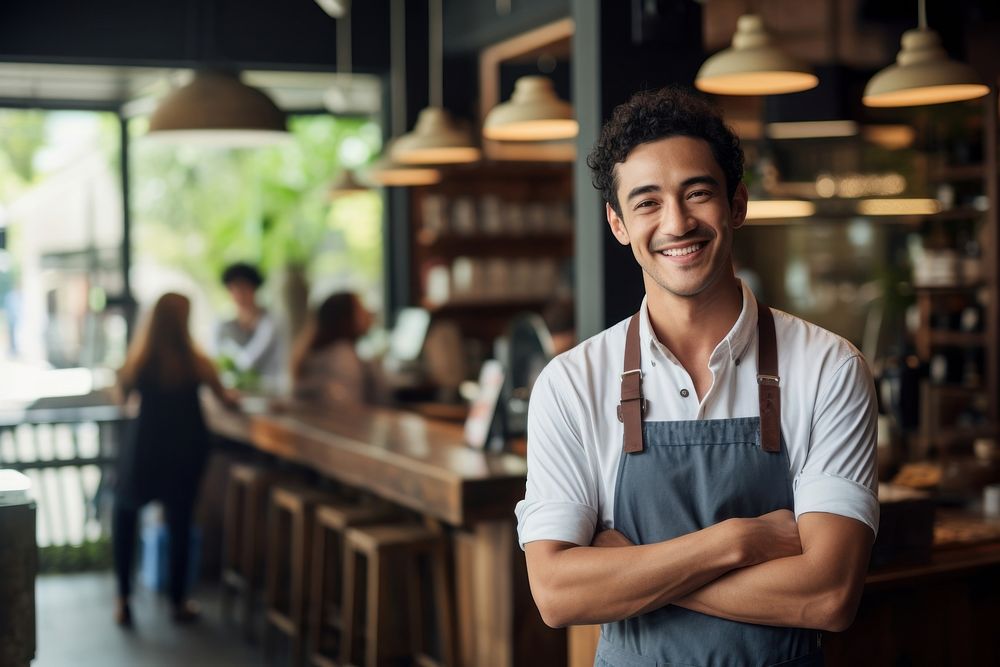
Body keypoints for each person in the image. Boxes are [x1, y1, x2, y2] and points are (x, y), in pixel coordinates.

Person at [515, 87, 877, 666]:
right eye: (647, 202)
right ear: (618, 224)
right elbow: (557, 595)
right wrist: (740, 542)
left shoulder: (829, 368)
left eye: (697, 193)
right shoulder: (571, 384)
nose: (677, 223)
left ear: (737, 205)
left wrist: (629, 571)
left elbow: (829, 595)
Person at [113, 292, 238, 627]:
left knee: (125, 515)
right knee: (180, 523)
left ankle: (123, 599)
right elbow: (225, 399)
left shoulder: (140, 361)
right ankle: (178, 601)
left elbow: (122, 397)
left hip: (146, 448)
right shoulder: (197, 361)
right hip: (186, 449)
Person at [290, 292, 385, 406]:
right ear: (345, 317)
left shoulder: (318, 353)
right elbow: (349, 406)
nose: (368, 313)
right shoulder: (342, 357)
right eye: (361, 308)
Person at [215, 262, 283, 390]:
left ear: (254, 289)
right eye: (234, 288)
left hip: (270, 389)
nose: (239, 294)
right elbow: (217, 356)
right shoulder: (224, 324)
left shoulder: (271, 321)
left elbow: (249, 361)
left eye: (244, 288)